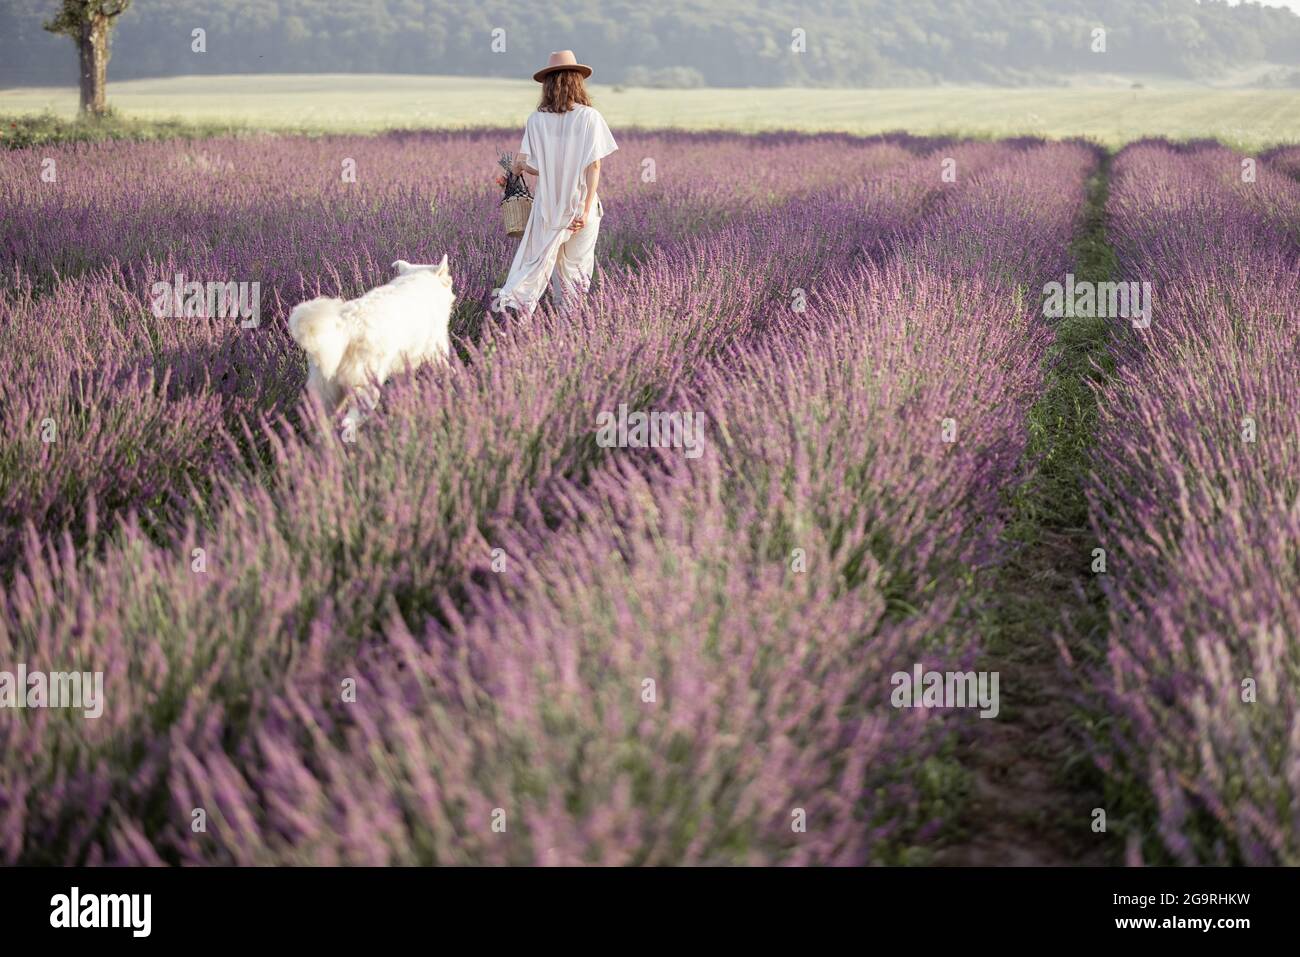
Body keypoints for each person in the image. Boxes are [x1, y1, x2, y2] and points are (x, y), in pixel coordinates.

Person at [498, 50, 618, 315]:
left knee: (544, 266)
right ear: (577, 81)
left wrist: (513, 171)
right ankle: (568, 328)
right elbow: (594, 166)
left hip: (548, 209)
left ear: (548, 84)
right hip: (580, 209)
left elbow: (531, 166)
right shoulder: (590, 117)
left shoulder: (536, 120)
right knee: (577, 270)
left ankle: (518, 310)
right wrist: (585, 211)